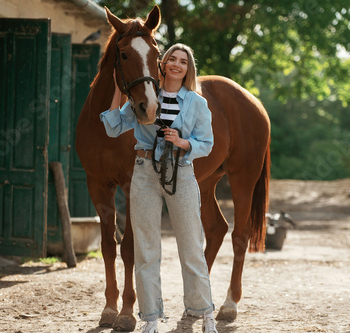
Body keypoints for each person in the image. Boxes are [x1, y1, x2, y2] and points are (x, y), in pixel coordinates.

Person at [100, 43, 217, 333]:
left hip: (182, 173)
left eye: (183, 61)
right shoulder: (144, 96)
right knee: (146, 249)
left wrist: (183, 142)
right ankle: (150, 318)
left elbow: (207, 144)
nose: (176, 64)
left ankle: (204, 312)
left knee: (191, 246)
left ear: (188, 69)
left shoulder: (197, 103)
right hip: (144, 173)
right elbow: (113, 127)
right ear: (162, 64)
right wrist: (118, 89)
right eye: (171, 59)